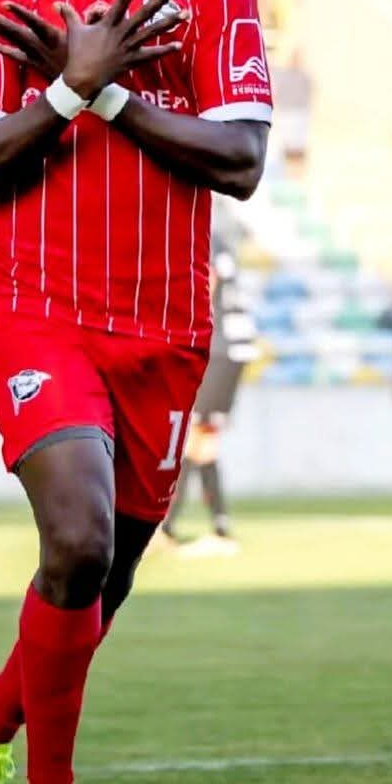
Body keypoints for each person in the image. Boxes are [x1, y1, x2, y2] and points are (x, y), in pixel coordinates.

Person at [0, 0, 272, 784]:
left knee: (101, 581)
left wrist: (109, 91)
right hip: (33, 300)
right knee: (77, 541)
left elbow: (243, 160)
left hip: (165, 319)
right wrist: (65, 90)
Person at [161, 233, 258, 555]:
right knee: (203, 442)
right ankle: (218, 528)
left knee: (193, 437)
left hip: (220, 348)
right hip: (232, 348)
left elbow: (207, 283)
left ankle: (168, 529)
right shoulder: (219, 240)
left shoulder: (202, 237)